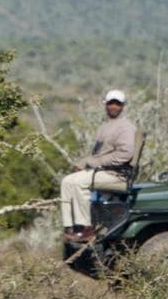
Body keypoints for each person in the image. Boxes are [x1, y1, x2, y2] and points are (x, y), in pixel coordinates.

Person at [59, 89, 138, 243]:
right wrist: (84, 163)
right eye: (110, 103)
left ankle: (86, 229)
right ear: (105, 105)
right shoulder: (106, 126)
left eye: (117, 104)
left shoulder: (125, 127)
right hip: (104, 172)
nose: (113, 107)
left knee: (79, 182)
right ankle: (70, 227)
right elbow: (98, 155)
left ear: (122, 106)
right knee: (67, 181)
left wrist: (93, 163)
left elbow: (126, 154)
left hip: (117, 175)